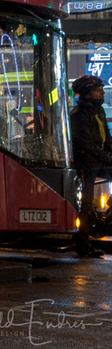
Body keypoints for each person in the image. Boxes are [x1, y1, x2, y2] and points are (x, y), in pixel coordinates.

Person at [71, 75, 112, 257]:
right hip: (86, 163)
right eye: (98, 90)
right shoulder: (79, 115)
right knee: (86, 203)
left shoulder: (99, 111)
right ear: (87, 94)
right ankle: (82, 241)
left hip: (98, 160)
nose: (102, 92)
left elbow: (107, 138)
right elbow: (86, 145)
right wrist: (107, 157)